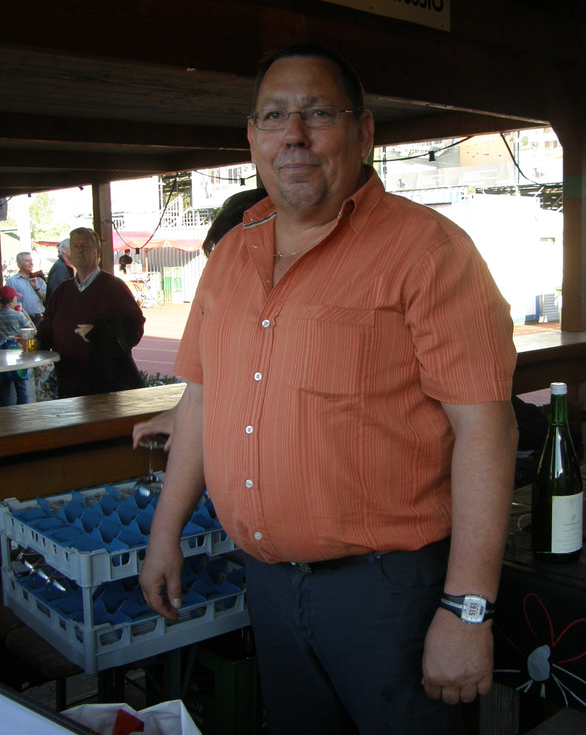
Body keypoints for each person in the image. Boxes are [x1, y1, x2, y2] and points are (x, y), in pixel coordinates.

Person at [135, 46, 517, 734]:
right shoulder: (230, 255)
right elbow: (201, 402)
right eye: (274, 116)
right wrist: (165, 535)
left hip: (390, 593)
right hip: (269, 585)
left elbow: (486, 428)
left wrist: (467, 610)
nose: (294, 136)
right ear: (252, 136)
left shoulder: (429, 251)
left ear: (363, 133)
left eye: (317, 113)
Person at [133, 187, 269, 452]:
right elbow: (200, 392)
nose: (227, 268)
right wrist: (183, 415)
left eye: (238, 253)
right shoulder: (219, 303)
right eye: (221, 256)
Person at [37, 227, 145, 398]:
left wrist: (100, 333)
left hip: (107, 384)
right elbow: (47, 326)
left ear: (98, 252)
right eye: (75, 246)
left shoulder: (114, 287)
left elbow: (134, 327)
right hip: (68, 382)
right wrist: (37, 342)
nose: (79, 250)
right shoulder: (62, 291)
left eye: (85, 246)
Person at [0, 285, 34, 406]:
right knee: (20, 385)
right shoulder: (18, 315)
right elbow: (31, 330)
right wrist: (24, 313)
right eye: (15, 298)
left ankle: (5, 411)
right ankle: (23, 410)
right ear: (12, 300)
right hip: (16, 350)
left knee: (4, 386)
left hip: (0, 352)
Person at [7, 251, 47, 326]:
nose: (31, 263)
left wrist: (36, 288)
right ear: (19, 264)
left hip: (39, 318)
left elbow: (46, 299)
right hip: (21, 320)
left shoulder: (39, 279)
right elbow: (9, 303)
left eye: (31, 261)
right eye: (27, 261)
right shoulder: (12, 281)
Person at [46, 239, 73, 303]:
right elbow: (58, 293)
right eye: (74, 248)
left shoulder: (65, 266)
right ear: (64, 250)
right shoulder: (60, 267)